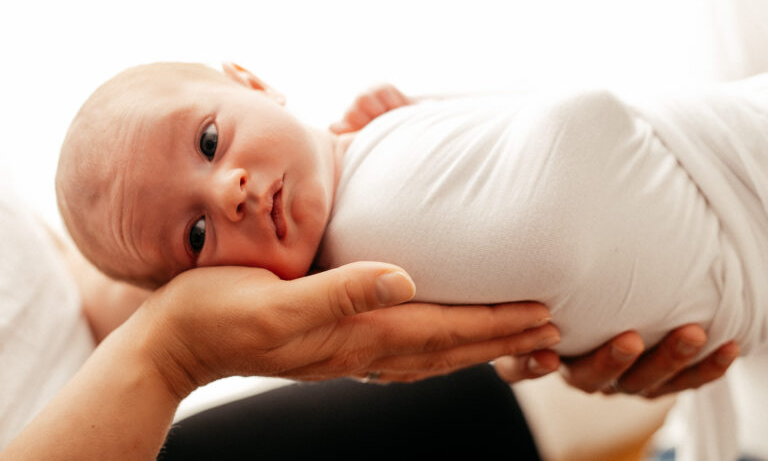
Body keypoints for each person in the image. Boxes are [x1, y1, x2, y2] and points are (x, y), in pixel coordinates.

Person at [56, 61, 762, 361]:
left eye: (209, 141)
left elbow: (578, 128)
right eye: (197, 233)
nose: (228, 191)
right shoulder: (364, 319)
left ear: (255, 82)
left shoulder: (377, 149)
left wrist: (430, 115)